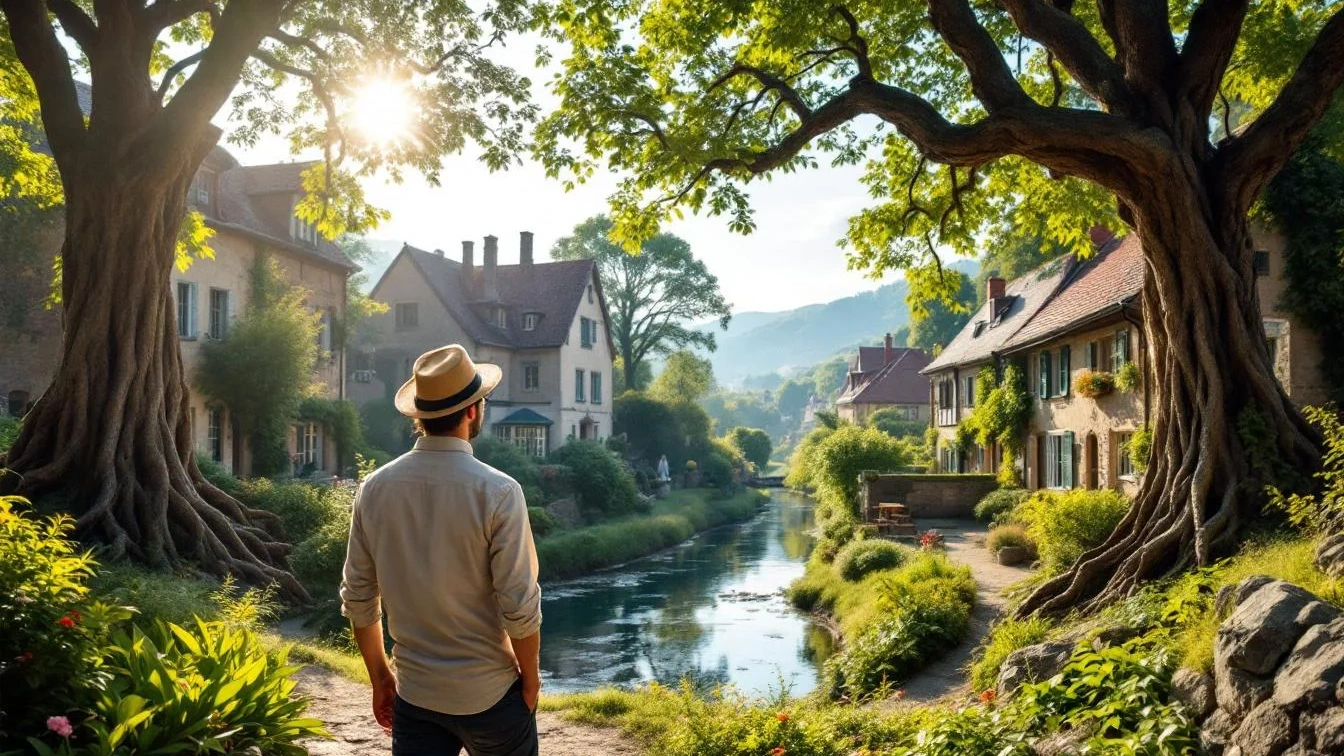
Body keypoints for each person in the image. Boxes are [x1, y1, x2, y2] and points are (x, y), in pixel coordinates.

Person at [341, 344, 542, 756]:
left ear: (419, 416)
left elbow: (359, 598)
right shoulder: (500, 492)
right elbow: (518, 604)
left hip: (416, 697)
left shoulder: (374, 489)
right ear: (472, 411)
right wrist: (531, 681)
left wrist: (381, 679)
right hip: (490, 695)